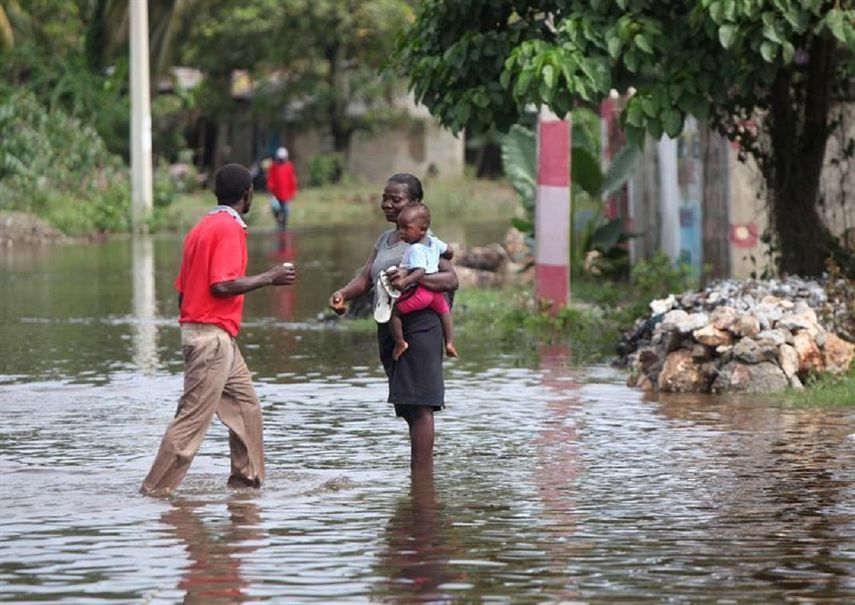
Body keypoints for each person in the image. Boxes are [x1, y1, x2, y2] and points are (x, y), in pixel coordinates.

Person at [141, 163, 297, 496]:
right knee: (191, 421)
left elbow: (183, 290)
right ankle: (153, 491)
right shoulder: (227, 227)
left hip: (215, 335)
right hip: (210, 338)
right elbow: (222, 285)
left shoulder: (202, 226)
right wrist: (270, 277)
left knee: (246, 407)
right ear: (248, 194)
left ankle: (246, 486)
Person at [328, 173, 458, 472]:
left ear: (415, 204)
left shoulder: (427, 241)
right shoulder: (385, 239)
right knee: (407, 403)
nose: (387, 204)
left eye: (395, 199)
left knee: (421, 403)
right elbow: (366, 277)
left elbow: (451, 278)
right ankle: (419, 480)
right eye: (384, 198)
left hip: (420, 325)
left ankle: (422, 480)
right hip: (390, 323)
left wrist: (415, 277)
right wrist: (342, 294)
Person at [385, 203, 458, 361]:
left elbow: (420, 272)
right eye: (400, 228)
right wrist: (445, 255)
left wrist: (405, 282)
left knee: (393, 312)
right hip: (437, 295)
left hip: (422, 293)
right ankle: (450, 343)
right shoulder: (434, 241)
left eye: (406, 228)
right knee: (445, 313)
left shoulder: (415, 249)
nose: (401, 232)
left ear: (422, 229)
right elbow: (450, 251)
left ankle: (400, 343)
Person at [266, 146, 298, 230]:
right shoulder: (273, 166)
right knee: (275, 209)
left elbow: (292, 180)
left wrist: (293, 191)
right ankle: (279, 222)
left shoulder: (289, 166)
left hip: (286, 194)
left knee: (286, 211)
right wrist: (270, 188)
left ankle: (283, 226)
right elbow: (271, 179)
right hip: (276, 194)